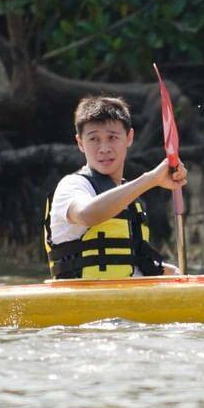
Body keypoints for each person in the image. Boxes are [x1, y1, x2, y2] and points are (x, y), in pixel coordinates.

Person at [43, 95, 188, 279]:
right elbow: (87, 215)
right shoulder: (72, 186)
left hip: (122, 300)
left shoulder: (128, 197)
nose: (104, 148)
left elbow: (130, 262)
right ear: (80, 143)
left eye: (112, 137)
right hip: (82, 301)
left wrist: (167, 272)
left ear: (129, 137)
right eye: (94, 139)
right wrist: (151, 179)